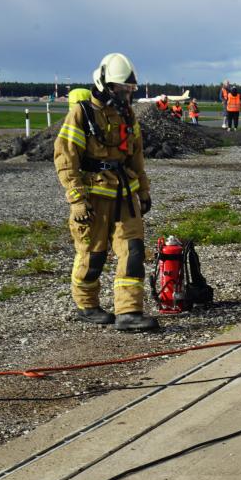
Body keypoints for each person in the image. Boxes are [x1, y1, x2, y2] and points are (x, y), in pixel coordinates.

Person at [54, 53, 158, 331]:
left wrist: (144, 190)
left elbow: (135, 156)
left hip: (124, 194)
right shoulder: (82, 113)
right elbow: (66, 158)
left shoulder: (127, 114)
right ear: (103, 84)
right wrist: (76, 199)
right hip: (94, 196)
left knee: (133, 250)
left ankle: (129, 312)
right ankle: (87, 305)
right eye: (121, 88)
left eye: (129, 89)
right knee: (93, 253)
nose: (126, 94)